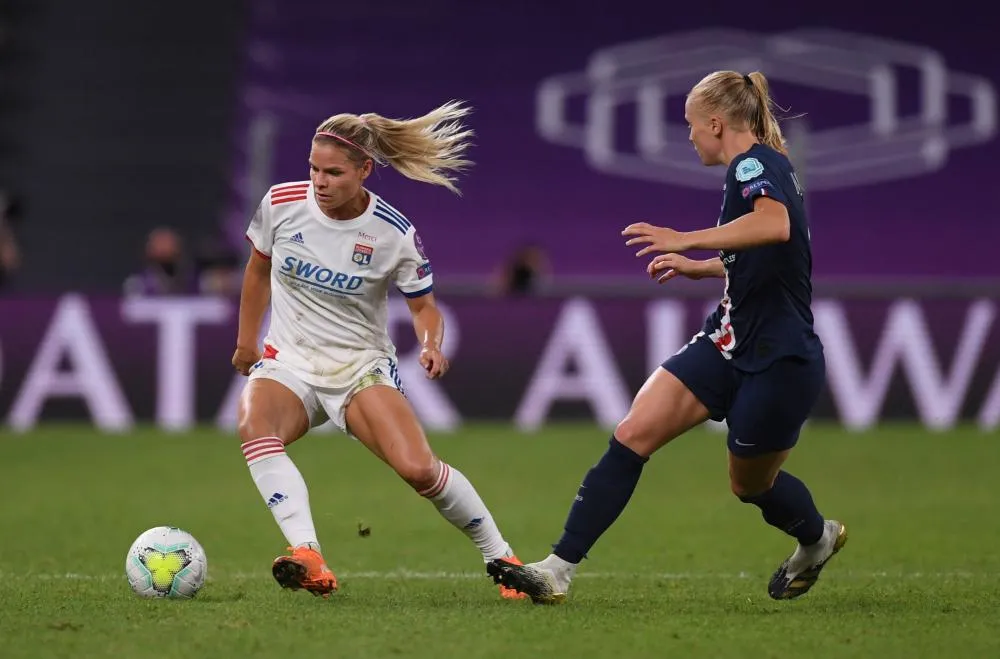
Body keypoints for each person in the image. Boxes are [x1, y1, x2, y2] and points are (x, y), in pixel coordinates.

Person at [488, 71, 846, 604]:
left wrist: (686, 237)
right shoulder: (766, 167)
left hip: (779, 356)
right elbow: (774, 261)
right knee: (634, 433)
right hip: (727, 340)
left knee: (751, 486)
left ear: (717, 123)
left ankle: (817, 539)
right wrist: (704, 267)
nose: (689, 136)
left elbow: (774, 228)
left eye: (691, 126)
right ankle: (557, 569)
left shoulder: (753, 165)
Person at [233, 100, 525, 599]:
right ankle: (307, 553)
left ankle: (503, 558)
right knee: (254, 427)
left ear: (365, 170)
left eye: (333, 173)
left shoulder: (393, 233)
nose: (319, 182)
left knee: (418, 469)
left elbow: (423, 307)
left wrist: (432, 344)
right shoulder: (281, 204)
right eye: (313, 169)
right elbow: (258, 268)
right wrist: (246, 340)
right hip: (290, 361)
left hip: (358, 369)